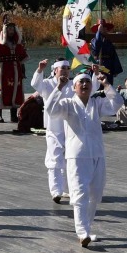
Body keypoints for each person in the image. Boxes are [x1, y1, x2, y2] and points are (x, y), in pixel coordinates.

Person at [42, 71, 123, 246]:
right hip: (77, 156)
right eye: (81, 82)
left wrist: (107, 85)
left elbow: (117, 104)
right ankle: (82, 232)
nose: (85, 85)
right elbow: (50, 110)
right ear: (74, 87)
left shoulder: (97, 103)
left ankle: (87, 227)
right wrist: (59, 87)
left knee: (95, 194)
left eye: (88, 81)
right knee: (80, 194)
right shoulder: (68, 104)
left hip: (97, 154)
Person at [31, 59, 74, 201]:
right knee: (54, 159)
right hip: (53, 127)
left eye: (68, 68)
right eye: (62, 68)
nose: (66, 70)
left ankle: (69, 189)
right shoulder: (48, 84)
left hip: (71, 127)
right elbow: (35, 84)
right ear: (55, 70)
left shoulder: (73, 84)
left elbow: (89, 89)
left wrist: (95, 75)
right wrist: (40, 70)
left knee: (70, 159)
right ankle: (56, 191)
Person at [0, 18, 27, 123]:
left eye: (12, 29)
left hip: (16, 70)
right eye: (9, 29)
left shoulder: (17, 43)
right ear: (5, 30)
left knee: (15, 91)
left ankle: (13, 115)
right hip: (3, 70)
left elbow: (23, 57)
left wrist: (22, 68)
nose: (11, 31)